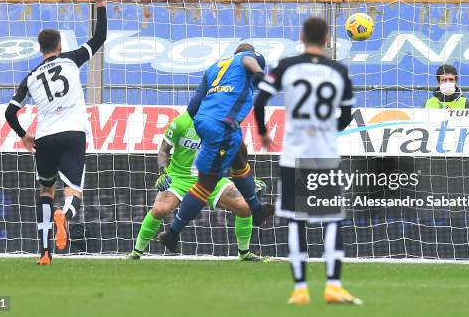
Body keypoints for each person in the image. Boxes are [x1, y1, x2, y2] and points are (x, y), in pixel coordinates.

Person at [254, 17, 362, 305]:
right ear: (327, 39)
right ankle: (333, 285)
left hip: (294, 154)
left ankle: (300, 288)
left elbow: (260, 101)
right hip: (325, 154)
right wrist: (330, 129)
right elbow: (346, 113)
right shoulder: (340, 71)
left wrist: (263, 133)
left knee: (294, 220)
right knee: (332, 221)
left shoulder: (285, 66)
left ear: (302, 36)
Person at [4, 0, 107, 265]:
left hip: (45, 138)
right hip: (73, 132)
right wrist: (100, 3)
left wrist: (25, 136)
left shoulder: (31, 77)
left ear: (40, 49)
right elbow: (99, 37)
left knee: (45, 191)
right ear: (60, 46)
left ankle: (45, 252)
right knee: (72, 191)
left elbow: (9, 113)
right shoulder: (72, 59)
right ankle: (67, 214)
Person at [158, 44, 275, 253]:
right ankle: (172, 234)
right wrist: (258, 73)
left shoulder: (214, 67)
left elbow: (193, 106)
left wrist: (204, 127)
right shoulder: (247, 58)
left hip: (212, 123)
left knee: (240, 155)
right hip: (222, 123)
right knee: (206, 184)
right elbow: (247, 59)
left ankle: (256, 209)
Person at [127, 111, 269, 261]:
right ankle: (136, 252)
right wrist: (163, 172)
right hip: (179, 178)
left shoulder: (223, 125)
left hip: (211, 178)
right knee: (160, 209)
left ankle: (244, 253)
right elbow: (164, 150)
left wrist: (247, 180)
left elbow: (236, 155)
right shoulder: (180, 122)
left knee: (245, 207)